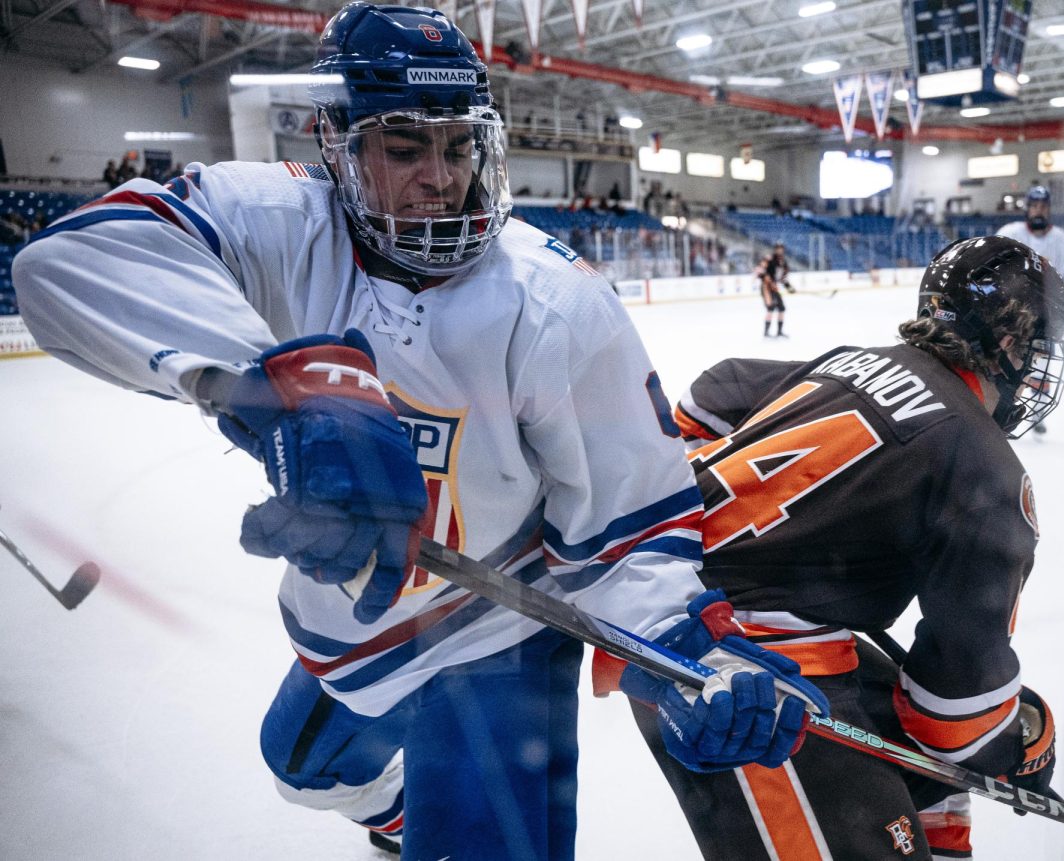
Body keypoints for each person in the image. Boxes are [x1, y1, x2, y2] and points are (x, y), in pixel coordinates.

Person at [12, 5, 822, 859]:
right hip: (360, 628)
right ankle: (407, 818)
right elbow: (68, 262)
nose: (440, 176)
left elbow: (630, 531)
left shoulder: (555, 303)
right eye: (404, 147)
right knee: (298, 767)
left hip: (499, 629)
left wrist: (697, 655)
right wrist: (272, 391)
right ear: (338, 143)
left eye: (460, 147)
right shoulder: (280, 223)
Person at [612, 236, 1064, 860]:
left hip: (668, 622)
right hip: (742, 682)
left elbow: (716, 390)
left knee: (934, 792)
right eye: (1039, 347)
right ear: (1011, 345)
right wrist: (1015, 740)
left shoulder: (850, 361)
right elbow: (951, 715)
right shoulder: (986, 470)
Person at [996, 185, 1064, 436]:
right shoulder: (1011, 233)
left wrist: (1056, 310)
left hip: (1043, 320)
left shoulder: (1061, 240)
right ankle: (1002, 411)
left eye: (1043, 206)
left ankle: (1038, 413)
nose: (1038, 210)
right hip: (1011, 316)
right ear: (1028, 208)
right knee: (1006, 365)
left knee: (1039, 368)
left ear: (1048, 209)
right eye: (1034, 206)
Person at [756, 242, 791, 338]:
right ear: (775, 249)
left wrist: (789, 287)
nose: (780, 250)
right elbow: (759, 271)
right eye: (778, 248)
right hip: (766, 287)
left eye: (781, 248)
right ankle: (766, 332)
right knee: (770, 308)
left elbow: (783, 278)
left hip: (774, 288)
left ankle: (779, 332)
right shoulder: (769, 259)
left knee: (782, 308)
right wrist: (765, 277)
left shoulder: (783, 262)